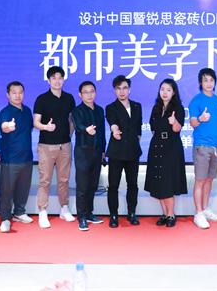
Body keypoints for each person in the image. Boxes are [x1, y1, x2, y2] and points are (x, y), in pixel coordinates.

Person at [33, 66, 76, 228]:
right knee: (45, 180)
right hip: (46, 146)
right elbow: (36, 122)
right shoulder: (42, 99)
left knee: (64, 179)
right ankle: (42, 211)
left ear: (63, 80)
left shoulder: (69, 98)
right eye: (54, 78)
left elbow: (71, 120)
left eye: (60, 78)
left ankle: (64, 208)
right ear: (49, 80)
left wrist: (67, 137)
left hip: (65, 145)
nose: (57, 81)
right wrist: (46, 127)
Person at [144, 79, 187, 228]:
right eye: (162, 89)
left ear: (173, 92)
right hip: (156, 146)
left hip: (171, 148)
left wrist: (173, 121)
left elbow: (177, 129)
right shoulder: (156, 107)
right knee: (158, 181)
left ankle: (171, 215)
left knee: (167, 183)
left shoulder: (178, 108)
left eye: (168, 90)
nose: (165, 92)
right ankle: (164, 214)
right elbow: (153, 128)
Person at [188, 68, 217, 229]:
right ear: (200, 83)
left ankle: (205, 208)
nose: (209, 83)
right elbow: (192, 122)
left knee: (209, 179)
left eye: (211, 80)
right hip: (202, 146)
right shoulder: (196, 101)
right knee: (200, 180)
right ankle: (198, 213)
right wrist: (201, 119)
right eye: (205, 80)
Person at [105, 75, 143, 228]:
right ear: (115, 91)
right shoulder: (111, 107)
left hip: (133, 152)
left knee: (132, 184)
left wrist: (135, 144)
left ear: (129, 90)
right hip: (116, 152)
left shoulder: (137, 106)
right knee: (113, 185)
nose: (122, 91)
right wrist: (115, 131)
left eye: (125, 88)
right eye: (118, 88)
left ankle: (132, 212)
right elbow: (113, 123)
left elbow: (138, 130)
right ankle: (113, 215)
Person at [0, 81, 35, 233]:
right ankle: (5, 218)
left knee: (23, 188)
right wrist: (7, 126)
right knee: (7, 191)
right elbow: (4, 126)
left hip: (27, 157)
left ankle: (19, 212)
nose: (17, 95)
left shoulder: (27, 111)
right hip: (11, 158)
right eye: (14, 92)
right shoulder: (5, 112)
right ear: (8, 95)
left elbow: (29, 129)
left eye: (20, 92)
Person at [71, 81, 106, 231]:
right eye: (85, 92)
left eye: (92, 91)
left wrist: (103, 151)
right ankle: (82, 217)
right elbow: (78, 126)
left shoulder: (99, 110)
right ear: (80, 94)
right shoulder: (77, 110)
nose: (89, 94)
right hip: (83, 153)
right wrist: (86, 129)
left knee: (93, 185)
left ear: (95, 93)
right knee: (82, 186)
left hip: (97, 152)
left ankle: (89, 213)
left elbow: (102, 132)